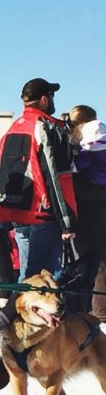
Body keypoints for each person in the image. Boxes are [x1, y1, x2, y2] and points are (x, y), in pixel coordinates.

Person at [0, 78, 77, 278]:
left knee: (27, 275)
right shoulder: (44, 127)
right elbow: (54, 177)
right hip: (41, 212)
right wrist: (67, 220)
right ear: (44, 99)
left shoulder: (13, 128)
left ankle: (19, 308)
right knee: (44, 276)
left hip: (16, 212)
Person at [72, 116, 106, 318]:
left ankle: (90, 312)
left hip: (85, 224)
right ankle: (99, 312)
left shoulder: (81, 161)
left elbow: (77, 189)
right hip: (96, 224)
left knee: (87, 269)